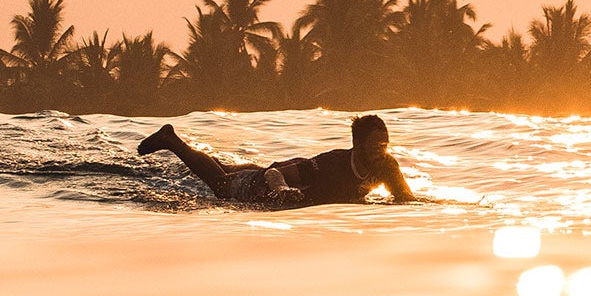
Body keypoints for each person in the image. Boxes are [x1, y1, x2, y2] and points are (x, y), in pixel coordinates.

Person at [137, 113, 418, 207]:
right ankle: (171, 140)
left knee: (228, 170)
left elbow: (406, 199)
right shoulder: (333, 165)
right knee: (221, 183)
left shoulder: (387, 166)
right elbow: (273, 174)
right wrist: (283, 191)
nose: (381, 150)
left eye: (385, 144)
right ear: (357, 145)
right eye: (374, 145)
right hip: (267, 181)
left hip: (285, 170)